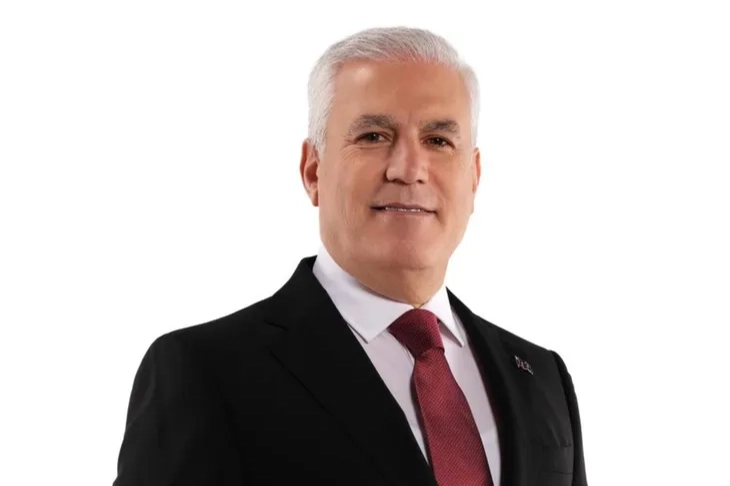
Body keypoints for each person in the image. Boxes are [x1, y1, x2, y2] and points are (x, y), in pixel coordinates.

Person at [113, 26, 588, 486]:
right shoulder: (206, 374)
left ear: (474, 178)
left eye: (438, 141)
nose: (409, 169)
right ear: (313, 171)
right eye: (374, 136)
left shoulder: (542, 378)